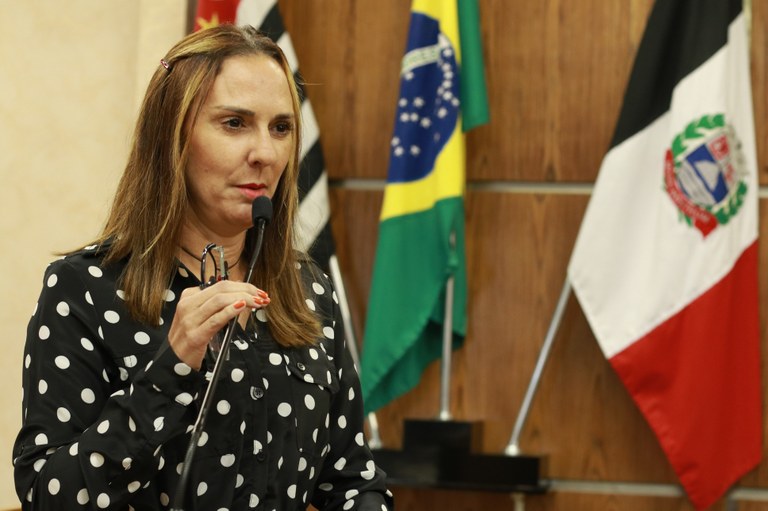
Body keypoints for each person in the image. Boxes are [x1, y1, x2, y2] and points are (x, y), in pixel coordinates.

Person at [13, 24, 393, 511]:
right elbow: (48, 495)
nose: (265, 153)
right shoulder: (83, 287)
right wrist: (172, 366)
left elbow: (353, 480)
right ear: (172, 137)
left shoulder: (309, 289)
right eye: (234, 123)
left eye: (281, 128)